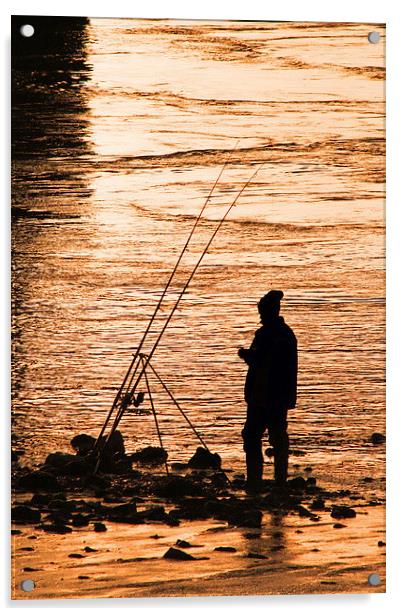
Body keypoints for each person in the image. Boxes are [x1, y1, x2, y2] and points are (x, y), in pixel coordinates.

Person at [238, 290, 297, 491]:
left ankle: (254, 481)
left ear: (270, 312)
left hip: (263, 396)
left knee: (252, 435)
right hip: (279, 396)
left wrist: (245, 355)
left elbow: (260, 360)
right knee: (278, 436)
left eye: (262, 313)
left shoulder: (266, 335)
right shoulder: (287, 333)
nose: (260, 317)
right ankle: (280, 481)